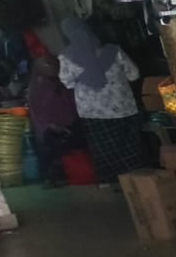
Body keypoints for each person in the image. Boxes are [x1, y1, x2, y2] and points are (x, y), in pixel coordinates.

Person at [58, 17, 142, 184]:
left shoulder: (66, 57)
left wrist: (85, 77)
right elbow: (134, 74)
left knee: (103, 149)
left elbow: (67, 83)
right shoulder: (114, 51)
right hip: (123, 107)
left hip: (92, 112)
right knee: (129, 146)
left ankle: (110, 182)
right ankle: (137, 181)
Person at [27, 55, 78, 186]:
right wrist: (52, 125)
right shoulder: (39, 86)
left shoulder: (61, 83)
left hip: (67, 125)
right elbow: (38, 110)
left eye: (51, 63)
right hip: (49, 129)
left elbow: (71, 103)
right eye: (47, 64)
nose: (51, 67)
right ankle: (55, 176)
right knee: (54, 150)